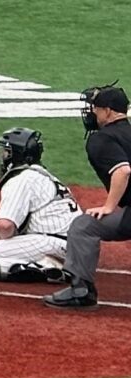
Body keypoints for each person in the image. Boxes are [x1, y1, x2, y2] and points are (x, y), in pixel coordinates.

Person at [50, 84, 131, 309]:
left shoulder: (102, 139)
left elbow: (123, 171)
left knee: (84, 226)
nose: (92, 113)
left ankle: (81, 291)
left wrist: (109, 206)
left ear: (108, 111)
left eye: (95, 109)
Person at [0, 128, 77, 284]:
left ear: (18, 155)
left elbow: (5, 226)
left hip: (54, 243)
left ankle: (46, 270)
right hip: (79, 247)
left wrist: (4, 238)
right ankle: (48, 263)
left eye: (7, 152)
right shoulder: (43, 175)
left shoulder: (21, 179)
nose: (2, 157)